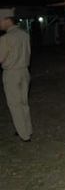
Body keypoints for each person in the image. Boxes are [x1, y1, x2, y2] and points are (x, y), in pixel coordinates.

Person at [0, 9, 32, 142]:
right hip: (24, 71)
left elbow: (1, 58)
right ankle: (27, 129)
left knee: (14, 104)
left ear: (7, 20)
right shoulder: (24, 34)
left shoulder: (5, 38)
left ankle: (23, 134)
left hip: (11, 72)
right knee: (24, 103)